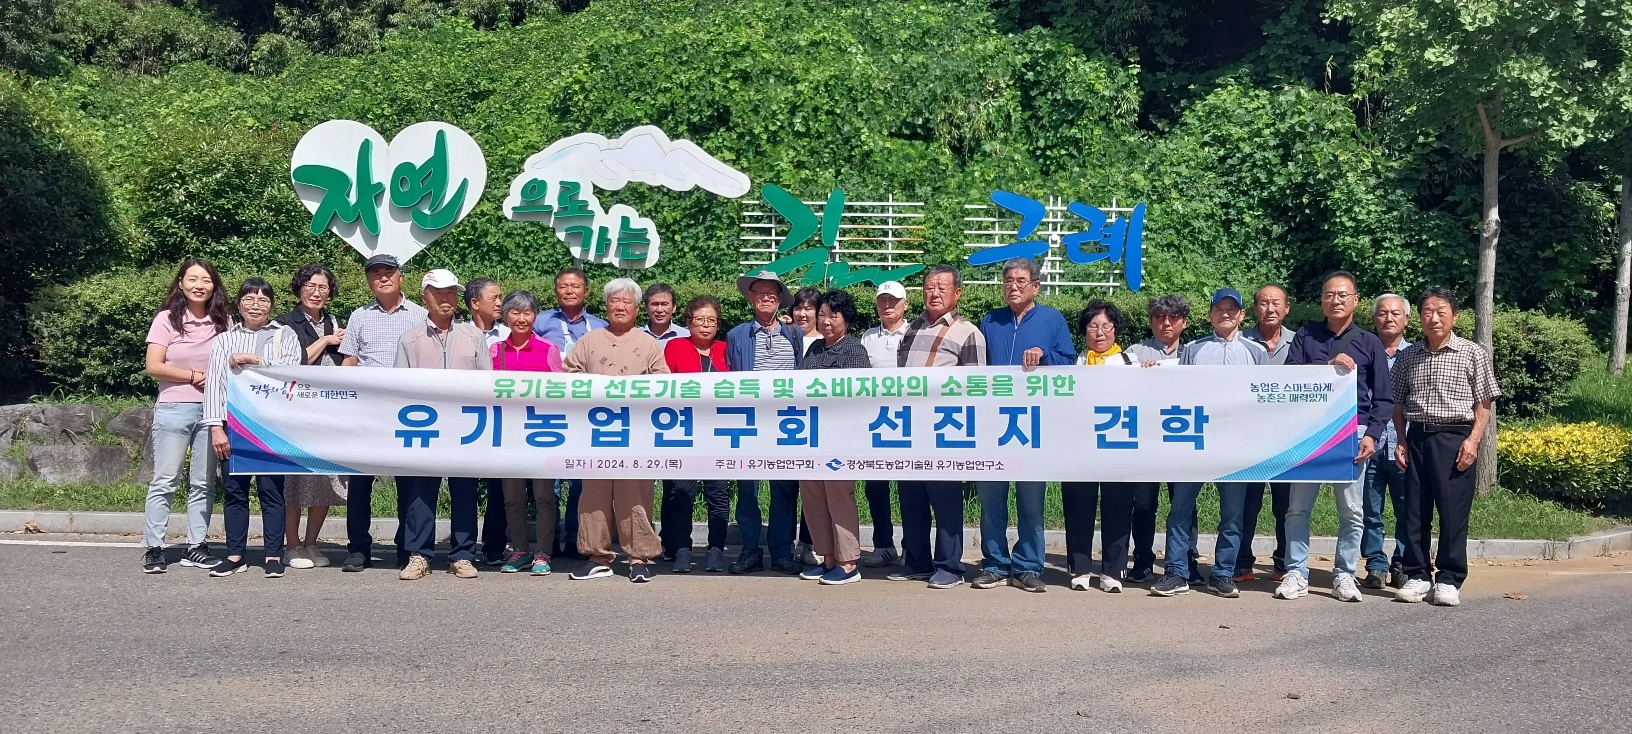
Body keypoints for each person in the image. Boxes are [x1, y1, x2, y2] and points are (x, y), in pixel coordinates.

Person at [1278, 271, 1393, 602]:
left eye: (1343, 295)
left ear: (1355, 300)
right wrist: (1328, 366)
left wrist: (1372, 435)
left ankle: (1344, 573)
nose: (1336, 300)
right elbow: (1288, 379)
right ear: (1322, 300)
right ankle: (1296, 572)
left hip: (1352, 434)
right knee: (1297, 508)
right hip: (1310, 433)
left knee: (1352, 511)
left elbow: (1384, 398)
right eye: (1329, 295)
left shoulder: (1370, 342)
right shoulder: (1306, 336)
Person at [1150, 288, 1267, 599]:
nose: (1225, 314)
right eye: (1219, 309)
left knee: (1232, 514)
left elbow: (1263, 399)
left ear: (1242, 315)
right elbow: (1181, 393)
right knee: (1180, 509)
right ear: (1210, 314)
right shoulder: (1194, 349)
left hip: (1236, 446)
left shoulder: (1256, 352)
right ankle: (1177, 571)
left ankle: (1223, 574)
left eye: (1232, 309)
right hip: (1196, 442)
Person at [972, 257, 1075, 594]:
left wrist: (1044, 354)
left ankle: (1029, 566)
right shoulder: (991, 320)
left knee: (1031, 502)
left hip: (1032, 424)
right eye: (1008, 281)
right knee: (991, 500)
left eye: (1020, 281)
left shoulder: (1052, 320)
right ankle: (995, 564)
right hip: (992, 423)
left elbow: (1070, 363)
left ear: (1036, 286)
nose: (1013, 287)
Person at [1391, 288, 1498, 607]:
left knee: (1453, 513)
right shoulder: (1408, 356)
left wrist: (1473, 441)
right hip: (1417, 438)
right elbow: (1397, 403)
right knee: (1414, 511)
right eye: (1427, 311)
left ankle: (1449, 579)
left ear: (1455, 316)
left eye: (1441, 311)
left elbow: (1484, 402)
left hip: (1455, 439)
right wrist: (1401, 440)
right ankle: (1417, 575)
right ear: (1419, 317)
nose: (1434, 318)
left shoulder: (1472, 353)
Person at [564, 278, 670, 583]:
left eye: (626, 302)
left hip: (635, 434)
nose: (620, 307)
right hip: (594, 434)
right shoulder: (589, 341)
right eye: (614, 301)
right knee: (593, 496)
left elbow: (664, 383)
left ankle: (639, 558)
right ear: (606, 306)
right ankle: (597, 557)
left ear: (636, 309)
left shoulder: (648, 344)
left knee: (635, 496)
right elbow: (569, 375)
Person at [891, 263, 987, 590]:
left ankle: (950, 566)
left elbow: (976, 388)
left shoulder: (968, 333)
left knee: (946, 502)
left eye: (941, 288)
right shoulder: (912, 329)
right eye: (929, 287)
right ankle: (916, 561)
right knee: (912, 498)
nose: (934, 293)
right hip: (910, 428)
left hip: (946, 429)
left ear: (957, 293)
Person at [394, 269, 492, 581]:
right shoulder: (410, 339)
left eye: (451, 292)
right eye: (438, 293)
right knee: (420, 493)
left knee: (464, 491)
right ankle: (419, 555)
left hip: (465, 427)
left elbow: (487, 384)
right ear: (425, 298)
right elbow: (399, 388)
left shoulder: (474, 336)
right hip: (424, 429)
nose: (446, 298)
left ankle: (462, 555)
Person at [202, 278, 302, 578]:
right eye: (249, 299)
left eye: (263, 300)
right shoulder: (224, 340)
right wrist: (215, 428)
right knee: (235, 492)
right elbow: (215, 385)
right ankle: (235, 555)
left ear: (271, 306)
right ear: (239, 304)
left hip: (271, 428)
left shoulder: (285, 335)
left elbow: (290, 372)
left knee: (272, 491)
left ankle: (273, 555)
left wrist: (254, 360)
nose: (256, 305)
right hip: (233, 426)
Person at [338, 254, 426, 573]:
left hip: (407, 409)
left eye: (389, 272)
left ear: (401, 278)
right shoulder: (359, 315)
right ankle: (358, 548)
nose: (383, 278)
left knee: (408, 482)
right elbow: (349, 360)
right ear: (369, 281)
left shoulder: (420, 314)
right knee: (360, 483)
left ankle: (406, 547)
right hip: (368, 409)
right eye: (376, 273)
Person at [141, 258, 230, 574]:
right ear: (180, 283)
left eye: (206, 280)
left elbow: (231, 361)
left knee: (203, 482)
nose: (199, 285)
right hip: (174, 407)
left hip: (213, 411)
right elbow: (154, 366)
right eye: (192, 279)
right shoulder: (167, 319)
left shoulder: (224, 321)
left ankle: (196, 546)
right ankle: (154, 547)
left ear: (214, 286)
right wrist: (194, 376)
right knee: (165, 480)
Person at [724, 271, 806, 575]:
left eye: (773, 292)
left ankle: (782, 551)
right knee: (748, 489)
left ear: (780, 298)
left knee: (783, 489)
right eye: (760, 291)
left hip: (785, 423)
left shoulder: (794, 334)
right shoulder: (736, 336)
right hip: (749, 422)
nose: (766, 297)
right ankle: (750, 550)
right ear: (751, 296)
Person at [1061, 300, 1142, 593]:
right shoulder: (1072, 363)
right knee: (1078, 506)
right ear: (1084, 330)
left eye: (1106, 326)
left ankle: (1112, 571)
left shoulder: (1130, 362)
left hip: (1119, 446)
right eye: (1093, 326)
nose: (1099, 332)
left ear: (1115, 330)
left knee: (1118, 507)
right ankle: (1080, 568)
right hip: (1079, 447)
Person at [273, 264, 348, 570]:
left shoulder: (335, 321)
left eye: (323, 287)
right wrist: (327, 340)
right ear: (299, 288)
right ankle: (292, 544)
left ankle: (312, 542)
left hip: (331, 413)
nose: (316, 292)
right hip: (297, 413)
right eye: (310, 286)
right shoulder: (284, 324)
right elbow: (294, 362)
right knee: (294, 479)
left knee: (325, 479)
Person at [795, 289, 872, 585]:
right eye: (822, 315)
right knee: (813, 497)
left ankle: (849, 562)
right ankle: (827, 558)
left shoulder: (854, 350)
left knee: (839, 497)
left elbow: (860, 396)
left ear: (846, 319)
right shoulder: (815, 348)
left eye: (833, 315)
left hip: (842, 438)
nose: (826, 321)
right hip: (812, 436)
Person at [533, 267, 607, 560]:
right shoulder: (540, 322)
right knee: (548, 478)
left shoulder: (600, 326)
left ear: (586, 291)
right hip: (550, 409)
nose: (569, 291)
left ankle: (578, 540)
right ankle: (548, 541)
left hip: (586, 412)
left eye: (575, 286)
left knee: (582, 479)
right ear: (556, 290)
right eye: (563, 286)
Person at [490, 290, 563, 576]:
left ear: (535, 316)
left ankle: (543, 552)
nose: (522, 318)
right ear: (505, 315)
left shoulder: (548, 349)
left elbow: (561, 392)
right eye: (515, 312)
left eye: (528, 312)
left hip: (543, 433)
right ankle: (519, 549)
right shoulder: (495, 350)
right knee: (512, 496)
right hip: (508, 434)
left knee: (544, 496)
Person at [1121, 294, 1193, 583]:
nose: (1166, 323)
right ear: (1151, 321)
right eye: (1160, 317)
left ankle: (1187, 559)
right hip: (1145, 440)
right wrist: (1140, 375)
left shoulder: (1193, 353)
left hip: (1182, 439)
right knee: (1143, 503)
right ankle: (1143, 560)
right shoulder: (1135, 353)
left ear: (1184, 322)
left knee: (1184, 503)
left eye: (1173, 317)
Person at [661, 295, 734, 574]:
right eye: (699, 319)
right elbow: (664, 385)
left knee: (718, 494)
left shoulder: (726, 349)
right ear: (688, 322)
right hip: (684, 432)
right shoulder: (676, 346)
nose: (705, 325)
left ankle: (716, 550)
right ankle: (682, 549)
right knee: (681, 492)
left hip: (719, 434)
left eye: (711, 320)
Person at [1237, 283, 1296, 582]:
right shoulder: (1240, 342)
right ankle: (1241, 563)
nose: (1270, 309)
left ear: (1286, 308)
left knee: (1285, 505)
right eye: (1263, 303)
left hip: (1288, 438)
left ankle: (1284, 563)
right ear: (1255, 308)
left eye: (1276, 303)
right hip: (1248, 439)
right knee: (1247, 504)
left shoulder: (1300, 342)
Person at [857, 281, 910, 569]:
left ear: (905, 304)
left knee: (909, 487)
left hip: (909, 420)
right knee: (876, 487)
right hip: (876, 420)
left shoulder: (915, 333)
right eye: (882, 301)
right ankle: (883, 545)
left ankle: (912, 547)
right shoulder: (868, 337)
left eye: (893, 301)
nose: (887, 306)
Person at [1364, 293, 1413, 589]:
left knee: (1407, 509)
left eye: (1395, 313)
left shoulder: (1416, 354)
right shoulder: (1363, 352)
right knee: (1370, 511)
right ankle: (1376, 565)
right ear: (1374, 319)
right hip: (1368, 444)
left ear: (1406, 319)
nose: (1389, 318)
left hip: (1403, 444)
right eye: (1382, 313)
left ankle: (1403, 564)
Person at [465, 276, 510, 565]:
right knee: (465, 485)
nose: (500, 303)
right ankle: (464, 547)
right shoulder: (459, 333)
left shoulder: (508, 335)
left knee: (499, 486)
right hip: (467, 419)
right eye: (494, 297)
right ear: (474, 303)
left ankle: (494, 546)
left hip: (500, 419)